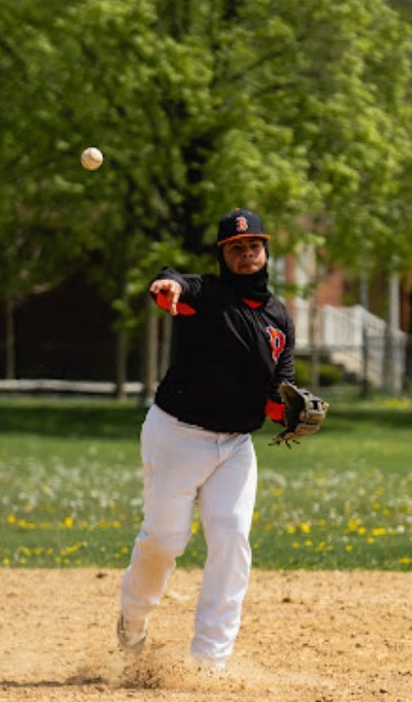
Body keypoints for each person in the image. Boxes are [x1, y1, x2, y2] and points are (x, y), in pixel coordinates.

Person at [117, 207, 296, 674]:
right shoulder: (207, 295)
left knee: (232, 537)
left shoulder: (279, 318)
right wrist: (168, 287)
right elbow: (175, 283)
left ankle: (209, 660)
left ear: (265, 250)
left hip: (235, 446)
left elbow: (280, 387)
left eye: (253, 245)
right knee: (164, 540)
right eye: (235, 248)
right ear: (223, 254)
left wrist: (286, 409)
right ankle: (133, 619)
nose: (246, 254)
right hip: (177, 436)